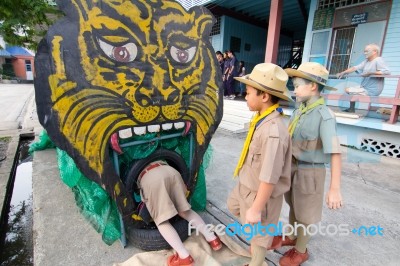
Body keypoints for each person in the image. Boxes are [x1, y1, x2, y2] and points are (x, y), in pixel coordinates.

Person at [270, 62, 343, 266]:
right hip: (293, 168)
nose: (294, 90)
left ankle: (301, 250)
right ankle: (293, 237)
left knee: (306, 214)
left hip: (310, 172)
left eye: (298, 85)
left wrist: (334, 189)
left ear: (313, 86)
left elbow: (335, 153)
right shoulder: (300, 110)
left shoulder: (325, 116)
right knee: (294, 205)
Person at [227, 63, 294, 266]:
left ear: (264, 96)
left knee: (258, 235)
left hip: (260, 194)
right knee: (234, 206)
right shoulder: (260, 119)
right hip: (246, 185)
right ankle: (262, 238)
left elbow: (269, 177)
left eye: (248, 93)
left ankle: (257, 259)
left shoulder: (273, 131)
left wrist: (256, 208)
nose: (245, 96)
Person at [139, 160, 222, 266]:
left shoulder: (130, 155)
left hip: (150, 178)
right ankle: (213, 239)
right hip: (171, 171)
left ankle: (184, 257)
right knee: (184, 211)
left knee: (162, 220)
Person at [336, 43, 390, 112]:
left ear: (374, 51)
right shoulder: (366, 62)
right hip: (364, 88)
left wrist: (370, 73)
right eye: (364, 51)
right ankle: (351, 109)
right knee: (351, 90)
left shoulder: (378, 60)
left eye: (367, 51)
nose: (365, 53)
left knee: (348, 90)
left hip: (372, 90)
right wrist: (343, 73)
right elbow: (354, 68)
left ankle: (352, 109)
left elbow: (387, 72)